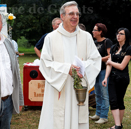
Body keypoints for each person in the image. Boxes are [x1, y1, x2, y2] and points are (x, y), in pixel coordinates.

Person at [38, 1, 101, 129]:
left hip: (78, 90)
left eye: (77, 14)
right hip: (59, 88)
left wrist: (82, 67)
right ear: (62, 16)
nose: (75, 17)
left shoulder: (86, 37)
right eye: (71, 13)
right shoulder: (51, 38)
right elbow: (45, 63)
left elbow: (95, 60)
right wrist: (67, 68)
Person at [102, 28, 130, 129]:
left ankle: (118, 125)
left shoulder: (128, 49)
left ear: (126, 36)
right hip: (113, 78)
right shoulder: (113, 47)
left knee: (120, 100)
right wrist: (105, 77)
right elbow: (108, 65)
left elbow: (122, 66)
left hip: (123, 78)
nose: (118, 35)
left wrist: (111, 62)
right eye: (117, 33)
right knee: (113, 100)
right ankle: (118, 125)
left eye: (121, 34)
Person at [89, 23, 113, 124]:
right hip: (96, 70)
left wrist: (99, 60)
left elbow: (110, 56)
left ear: (100, 32)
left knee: (104, 94)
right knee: (97, 93)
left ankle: (104, 116)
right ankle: (98, 114)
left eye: (95, 30)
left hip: (104, 71)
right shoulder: (94, 43)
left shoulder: (107, 41)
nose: (93, 32)